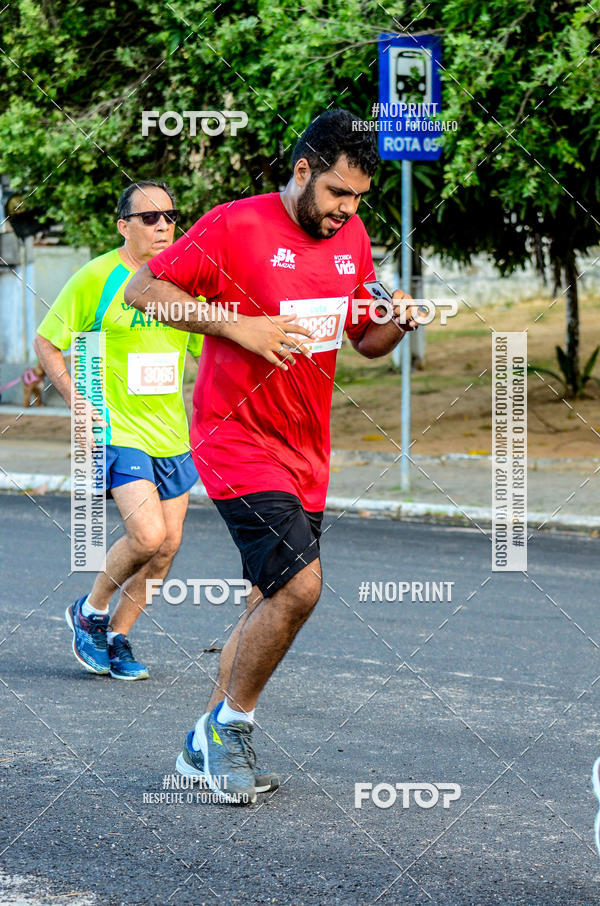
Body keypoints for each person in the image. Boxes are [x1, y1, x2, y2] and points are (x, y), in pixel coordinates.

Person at [125, 109, 420, 803]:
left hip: (305, 450)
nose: (346, 210)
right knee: (300, 587)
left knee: (267, 596)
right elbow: (144, 290)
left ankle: (206, 740)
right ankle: (231, 727)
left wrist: (395, 321)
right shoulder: (237, 224)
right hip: (235, 438)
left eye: (357, 200)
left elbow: (363, 340)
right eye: (337, 194)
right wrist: (237, 324)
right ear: (302, 172)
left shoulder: (350, 237)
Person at [34, 180, 206, 680]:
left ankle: (119, 634)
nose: (162, 226)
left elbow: (206, 352)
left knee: (169, 546)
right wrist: (77, 401)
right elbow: (48, 342)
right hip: (116, 430)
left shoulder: (183, 282)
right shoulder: (96, 277)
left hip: (172, 435)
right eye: (149, 218)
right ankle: (89, 610)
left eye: (170, 217)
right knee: (147, 535)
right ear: (123, 226)